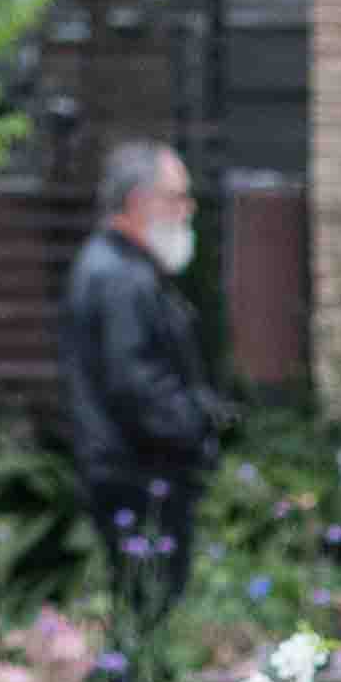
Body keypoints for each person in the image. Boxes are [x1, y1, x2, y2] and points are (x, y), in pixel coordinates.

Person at [60, 138, 221, 629]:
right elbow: (136, 382)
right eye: (177, 197)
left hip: (129, 470)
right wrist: (197, 424)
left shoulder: (117, 269)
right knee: (146, 615)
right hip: (139, 475)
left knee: (143, 614)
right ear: (138, 203)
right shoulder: (119, 277)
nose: (187, 209)